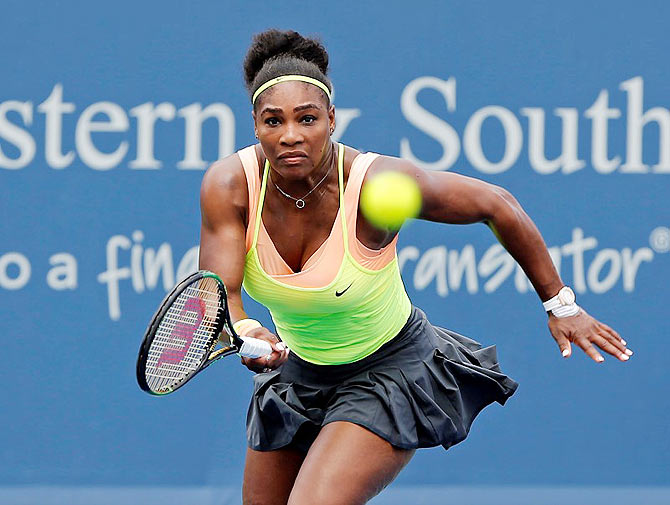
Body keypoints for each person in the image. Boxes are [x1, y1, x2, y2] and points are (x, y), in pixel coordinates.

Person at [198, 29, 632, 505]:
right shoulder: (229, 186)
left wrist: (560, 304)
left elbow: (497, 204)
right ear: (255, 126)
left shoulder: (374, 187)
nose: (291, 135)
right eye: (273, 121)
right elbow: (220, 298)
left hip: (390, 372)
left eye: (308, 119)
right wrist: (246, 334)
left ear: (332, 120)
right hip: (300, 376)